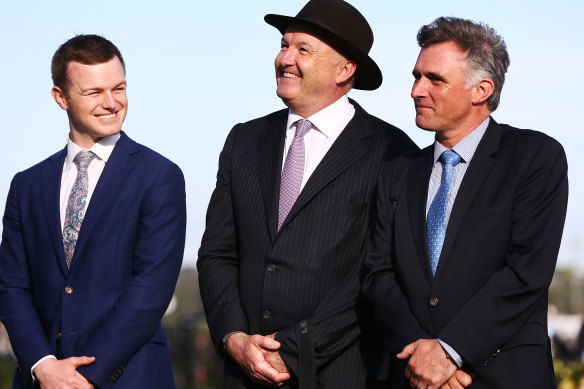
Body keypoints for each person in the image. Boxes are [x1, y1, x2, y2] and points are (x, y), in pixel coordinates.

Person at [196, 0, 417, 387]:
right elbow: (216, 253)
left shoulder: (391, 151)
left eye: (303, 49)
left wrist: (294, 351)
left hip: (341, 374)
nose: (285, 58)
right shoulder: (244, 140)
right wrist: (233, 339)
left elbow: (378, 273)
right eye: (284, 45)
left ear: (345, 69)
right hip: (245, 372)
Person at [362, 16, 568, 389]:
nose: (416, 90)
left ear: (481, 90)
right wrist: (422, 356)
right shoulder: (398, 170)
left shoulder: (535, 157)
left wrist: (452, 352)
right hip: (412, 377)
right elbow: (378, 274)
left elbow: (526, 273)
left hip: (503, 377)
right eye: (416, 76)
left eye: (435, 79)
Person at [0, 35, 186, 389]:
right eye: (94, 92)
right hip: (41, 380)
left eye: (119, 88)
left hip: (130, 378)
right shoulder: (27, 185)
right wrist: (43, 366)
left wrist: (85, 379)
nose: (111, 102)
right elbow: (11, 285)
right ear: (61, 97)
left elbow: (151, 288)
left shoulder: (159, 176)